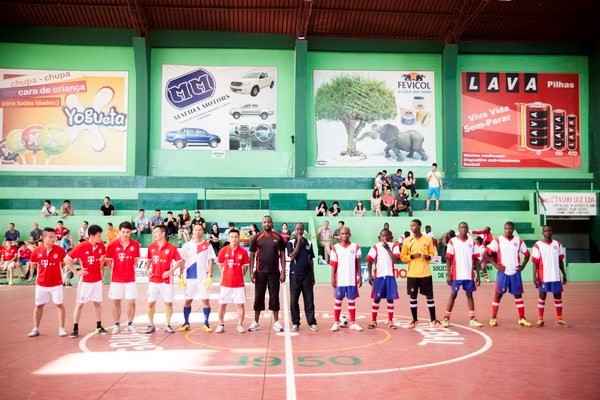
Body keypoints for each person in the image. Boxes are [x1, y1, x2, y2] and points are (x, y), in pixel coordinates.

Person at [27, 228, 76, 337]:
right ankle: (36, 328)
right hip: (41, 284)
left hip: (56, 284)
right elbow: (34, 265)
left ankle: (61, 329)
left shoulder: (60, 250)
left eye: (54, 236)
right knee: (39, 306)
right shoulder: (36, 251)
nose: (53, 239)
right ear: (43, 238)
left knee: (59, 305)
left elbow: (64, 263)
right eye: (50, 237)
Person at [484, 221, 532, 327]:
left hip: (515, 272)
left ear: (513, 229)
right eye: (506, 228)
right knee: (498, 295)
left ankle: (522, 318)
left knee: (518, 296)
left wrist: (523, 266)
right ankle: (493, 317)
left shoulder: (519, 241)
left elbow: (527, 255)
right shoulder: (497, 240)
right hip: (503, 272)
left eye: (510, 228)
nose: (508, 230)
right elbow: (486, 254)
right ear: (503, 229)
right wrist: (496, 265)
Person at [65, 224, 108, 338]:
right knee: (80, 304)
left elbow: (103, 256)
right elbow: (67, 259)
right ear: (92, 236)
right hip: (85, 281)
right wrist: (76, 272)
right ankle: (75, 328)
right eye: (99, 235)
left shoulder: (101, 246)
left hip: (97, 280)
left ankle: (99, 326)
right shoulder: (81, 246)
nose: (100, 237)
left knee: (97, 303)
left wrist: (100, 267)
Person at [400, 219, 443, 328]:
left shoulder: (428, 239)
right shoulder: (407, 241)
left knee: (429, 296)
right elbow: (403, 257)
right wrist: (411, 256)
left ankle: (433, 320)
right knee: (413, 297)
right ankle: (414, 320)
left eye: (413, 225)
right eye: (410, 225)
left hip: (425, 273)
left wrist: (428, 257)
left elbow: (432, 255)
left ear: (419, 226)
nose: (411, 227)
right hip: (412, 274)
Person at [248, 216, 286, 332]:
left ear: (272, 223)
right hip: (260, 273)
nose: (267, 224)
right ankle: (255, 322)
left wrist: (283, 271)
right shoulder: (256, 238)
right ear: (262, 224)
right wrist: (251, 272)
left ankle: (276, 322)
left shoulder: (278, 237)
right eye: (264, 222)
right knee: (258, 297)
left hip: (274, 273)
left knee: (274, 298)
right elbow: (252, 255)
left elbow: (283, 255)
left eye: (269, 222)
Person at [441, 222, 483, 327]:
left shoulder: (472, 242)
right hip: (456, 275)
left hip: (469, 275)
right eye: (462, 227)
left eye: (465, 227)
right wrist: (448, 274)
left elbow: (476, 259)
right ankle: (446, 318)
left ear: (468, 229)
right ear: (458, 229)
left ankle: (472, 319)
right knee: (453, 295)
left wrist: (478, 275)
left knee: (470, 295)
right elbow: (448, 259)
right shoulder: (452, 241)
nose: (464, 229)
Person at [144, 225, 183, 334]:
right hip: (153, 281)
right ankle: (151, 325)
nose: (154, 234)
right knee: (150, 303)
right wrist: (147, 269)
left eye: (156, 232)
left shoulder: (172, 248)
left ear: (163, 233)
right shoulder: (151, 247)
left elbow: (179, 262)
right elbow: (148, 260)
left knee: (168, 303)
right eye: (154, 232)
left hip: (167, 281)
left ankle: (167, 325)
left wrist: (170, 272)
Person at [178, 224, 216, 333]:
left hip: (203, 278)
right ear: (192, 231)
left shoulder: (208, 245)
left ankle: (206, 323)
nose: (198, 232)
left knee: (205, 300)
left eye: (200, 230)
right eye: (196, 230)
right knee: (187, 301)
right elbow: (182, 261)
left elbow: (210, 261)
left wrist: (210, 275)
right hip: (190, 277)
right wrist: (181, 276)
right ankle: (186, 323)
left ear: (203, 232)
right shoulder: (186, 245)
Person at [105, 221, 141, 334]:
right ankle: (117, 324)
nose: (125, 234)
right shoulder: (112, 245)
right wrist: (115, 270)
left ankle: (130, 323)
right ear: (119, 231)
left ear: (131, 232)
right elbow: (108, 261)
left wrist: (128, 269)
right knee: (116, 301)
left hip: (130, 278)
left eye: (127, 232)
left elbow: (136, 260)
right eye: (123, 232)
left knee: (131, 301)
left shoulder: (135, 244)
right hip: (116, 279)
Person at [532, 225, 570, 327]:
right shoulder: (537, 245)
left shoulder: (557, 244)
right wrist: (534, 276)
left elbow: (560, 260)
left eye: (549, 230)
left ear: (552, 232)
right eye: (545, 231)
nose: (547, 232)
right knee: (542, 296)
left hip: (555, 276)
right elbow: (535, 262)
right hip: (543, 276)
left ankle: (559, 319)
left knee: (558, 297)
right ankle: (540, 319)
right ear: (542, 232)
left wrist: (564, 274)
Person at [215, 229, 249, 333]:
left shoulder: (243, 252)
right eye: (232, 237)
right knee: (222, 304)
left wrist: (239, 275)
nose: (234, 239)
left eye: (236, 237)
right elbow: (220, 265)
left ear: (239, 238)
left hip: (239, 284)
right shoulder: (223, 251)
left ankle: (239, 324)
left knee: (240, 305)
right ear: (228, 238)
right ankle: (220, 324)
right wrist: (226, 274)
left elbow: (245, 267)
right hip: (226, 284)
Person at [330, 226, 363, 331]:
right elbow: (333, 264)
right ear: (339, 235)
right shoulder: (335, 248)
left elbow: (358, 262)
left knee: (352, 301)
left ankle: (353, 323)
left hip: (351, 279)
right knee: (338, 301)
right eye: (342, 233)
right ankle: (336, 323)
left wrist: (360, 275)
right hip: (340, 280)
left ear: (350, 234)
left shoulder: (356, 247)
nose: (344, 235)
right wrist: (332, 278)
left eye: (346, 233)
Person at [366, 229, 400, 330]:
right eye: (383, 236)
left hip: (390, 276)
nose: (385, 238)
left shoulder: (394, 246)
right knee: (376, 299)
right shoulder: (376, 246)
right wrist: (369, 275)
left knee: (390, 299)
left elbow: (396, 260)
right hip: (379, 277)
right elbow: (369, 261)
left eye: (387, 236)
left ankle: (390, 320)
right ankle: (373, 320)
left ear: (390, 237)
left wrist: (388, 249)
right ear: (380, 237)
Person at [288, 222, 318, 332]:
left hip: (307, 276)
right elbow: (292, 256)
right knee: (294, 300)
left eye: (301, 229)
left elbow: (311, 260)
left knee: (309, 300)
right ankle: (295, 322)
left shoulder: (309, 243)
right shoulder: (290, 243)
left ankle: (312, 322)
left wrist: (313, 276)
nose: (299, 231)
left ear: (303, 230)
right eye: (297, 229)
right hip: (295, 275)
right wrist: (299, 244)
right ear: (295, 231)